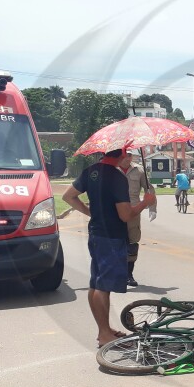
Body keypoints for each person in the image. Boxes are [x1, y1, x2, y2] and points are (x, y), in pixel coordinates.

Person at [62, 149, 156, 347]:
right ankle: (105, 334)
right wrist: (144, 203)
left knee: (96, 284)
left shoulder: (91, 171)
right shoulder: (117, 177)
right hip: (111, 237)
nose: (128, 157)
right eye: (126, 153)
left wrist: (91, 212)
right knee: (103, 287)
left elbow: (68, 196)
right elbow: (125, 215)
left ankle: (103, 330)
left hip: (96, 233)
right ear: (121, 155)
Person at [120, 153, 153, 287]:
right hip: (115, 212)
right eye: (124, 155)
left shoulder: (139, 170)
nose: (127, 158)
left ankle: (129, 274)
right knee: (116, 243)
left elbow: (149, 189)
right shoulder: (112, 170)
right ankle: (118, 273)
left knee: (132, 243)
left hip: (134, 211)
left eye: (129, 155)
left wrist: (152, 207)